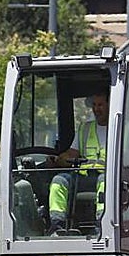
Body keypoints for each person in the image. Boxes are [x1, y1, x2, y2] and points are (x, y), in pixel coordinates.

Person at [48, 83, 109, 234]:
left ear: (110, 104)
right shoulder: (85, 128)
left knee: (104, 182)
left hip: (109, 177)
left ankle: (102, 225)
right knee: (58, 181)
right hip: (84, 177)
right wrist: (59, 159)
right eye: (94, 105)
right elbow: (72, 154)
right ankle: (57, 226)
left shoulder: (123, 128)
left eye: (100, 105)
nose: (96, 109)